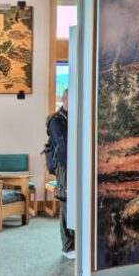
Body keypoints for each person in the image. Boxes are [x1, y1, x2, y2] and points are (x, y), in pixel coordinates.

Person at [47, 89, 75, 259]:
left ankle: (77, 242)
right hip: (64, 167)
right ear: (64, 99)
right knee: (66, 204)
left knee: (75, 204)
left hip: (75, 166)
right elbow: (63, 148)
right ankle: (68, 247)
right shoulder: (56, 121)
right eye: (71, 99)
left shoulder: (74, 118)